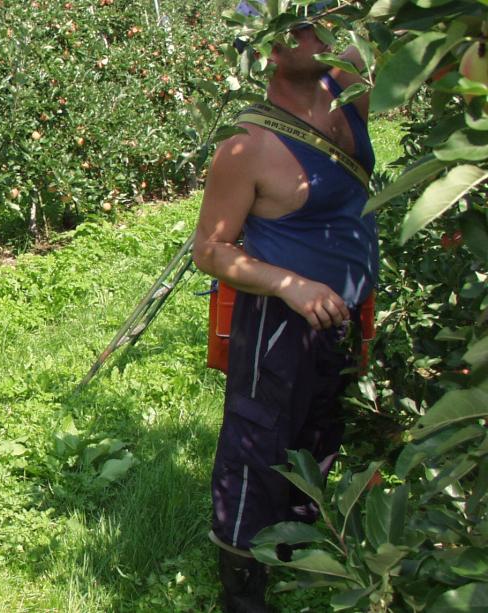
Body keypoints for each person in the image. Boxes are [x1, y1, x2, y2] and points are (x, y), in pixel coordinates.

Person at [191, 2, 376, 610]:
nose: (297, 34)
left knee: (320, 432)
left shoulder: (348, 82)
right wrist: (289, 285)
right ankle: (243, 589)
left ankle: (298, 552)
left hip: (345, 311)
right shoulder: (247, 144)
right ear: (260, 42)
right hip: (279, 323)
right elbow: (210, 251)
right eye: (283, 25)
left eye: (307, 19)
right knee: (256, 448)